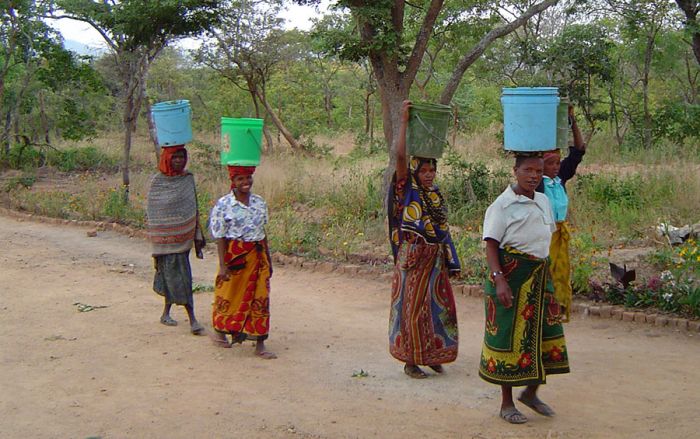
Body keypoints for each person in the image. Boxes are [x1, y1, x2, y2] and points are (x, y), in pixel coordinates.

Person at [479, 154, 570, 424]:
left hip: (541, 277)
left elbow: (546, 242)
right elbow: (491, 245)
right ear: (515, 171)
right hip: (511, 277)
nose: (533, 175)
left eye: (538, 171)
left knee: (546, 335)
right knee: (510, 340)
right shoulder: (502, 205)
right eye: (527, 170)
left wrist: (554, 280)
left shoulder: (543, 200)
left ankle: (531, 392)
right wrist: (499, 279)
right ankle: (506, 404)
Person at [387, 100, 460, 379]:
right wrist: (404, 121)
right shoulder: (408, 189)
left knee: (436, 306)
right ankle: (411, 360)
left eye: (433, 170)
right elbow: (401, 156)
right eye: (425, 171)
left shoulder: (435, 194)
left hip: (435, 256)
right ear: (416, 172)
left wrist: (451, 258)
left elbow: (442, 229)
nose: (429, 175)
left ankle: (432, 354)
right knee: (413, 307)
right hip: (414, 255)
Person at [208, 165, 276, 359]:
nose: (245, 182)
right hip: (235, 256)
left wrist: (268, 260)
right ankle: (220, 331)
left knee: (261, 298)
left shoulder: (259, 202)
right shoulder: (223, 204)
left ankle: (260, 342)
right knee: (228, 294)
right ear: (233, 181)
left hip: (258, 255)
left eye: (248, 178)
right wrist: (223, 265)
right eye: (240, 179)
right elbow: (220, 236)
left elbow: (263, 233)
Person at [146, 146, 206, 335]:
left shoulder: (187, 179)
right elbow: (153, 212)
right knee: (168, 275)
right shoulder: (158, 182)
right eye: (175, 157)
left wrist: (197, 236)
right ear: (167, 159)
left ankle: (190, 317)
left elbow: (193, 207)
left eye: (182, 157)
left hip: (184, 237)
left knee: (182, 276)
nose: (179, 161)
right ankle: (183, 317)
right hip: (164, 239)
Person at [537, 105, 587, 321]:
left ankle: (559, 310)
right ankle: (544, 310)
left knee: (560, 272)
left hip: (559, 233)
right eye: (550, 163)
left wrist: (572, 121)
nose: (556, 167)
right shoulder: (537, 183)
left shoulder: (560, 180)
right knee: (544, 273)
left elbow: (579, 150)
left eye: (558, 163)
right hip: (542, 234)